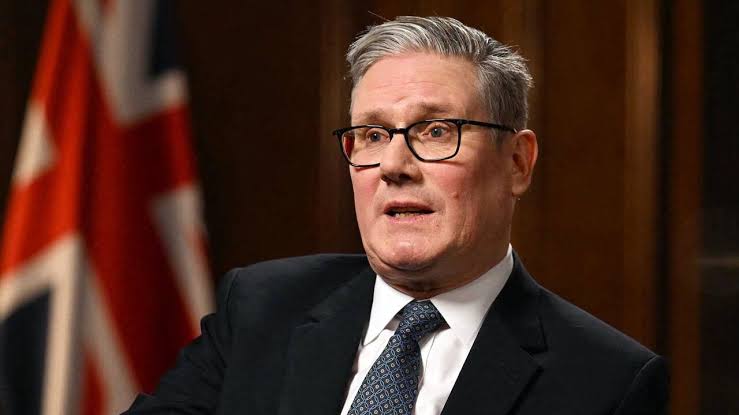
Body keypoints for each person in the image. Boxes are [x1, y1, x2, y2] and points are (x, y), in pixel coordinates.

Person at [125, 16, 668, 414]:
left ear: (517, 163)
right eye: (373, 134)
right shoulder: (261, 307)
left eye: (436, 131)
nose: (393, 165)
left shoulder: (607, 382)